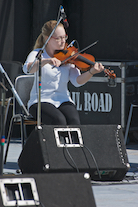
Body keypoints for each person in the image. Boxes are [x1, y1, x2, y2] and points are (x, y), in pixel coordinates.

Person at [23, 20, 104, 125]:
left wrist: (91, 72)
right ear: (48, 39)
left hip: (63, 99)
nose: (63, 41)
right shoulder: (38, 54)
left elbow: (77, 81)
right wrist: (46, 61)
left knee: (74, 121)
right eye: (58, 38)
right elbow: (27, 69)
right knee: (59, 120)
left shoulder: (68, 56)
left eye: (64, 37)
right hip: (40, 101)